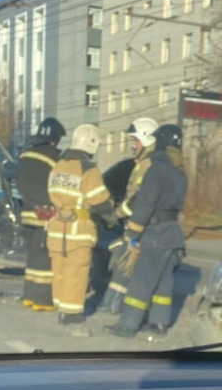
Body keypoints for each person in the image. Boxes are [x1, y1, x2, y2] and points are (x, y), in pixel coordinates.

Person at [105, 124, 188, 338]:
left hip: (154, 233)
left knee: (141, 280)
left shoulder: (156, 169)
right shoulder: (180, 171)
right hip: (172, 233)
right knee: (163, 282)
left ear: (158, 141)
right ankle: (159, 324)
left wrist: (132, 234)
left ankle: (128, 325)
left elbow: (145, 204)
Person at [46, 124, 116, 333]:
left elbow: (51, 191)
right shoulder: (88, 169)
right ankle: (72, 314)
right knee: (77, 271)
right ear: (92, 144)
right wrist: (112, 212)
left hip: (58, 227)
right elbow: (101, 200)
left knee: (60, 269)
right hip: (78, 229)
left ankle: (60, 305)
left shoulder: (58, 165)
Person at [98, 117, 158, 314]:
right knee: (127, 260)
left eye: (136, 140)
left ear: (147, 139)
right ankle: (117, 304)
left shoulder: (149, 164)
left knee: (125, 262)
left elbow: (138, 197)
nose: (133, 145)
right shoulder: (145, 162)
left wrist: (117, 213)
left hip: (141, 223)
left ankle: (113, 305)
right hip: (140, 222)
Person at [17, 117, 66, 312]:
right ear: (55, 138)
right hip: (46, 214)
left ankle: (29, 296)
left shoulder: (25, 155)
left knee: (32, 257)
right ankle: (43, 300)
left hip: (27, 212)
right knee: (45, 260)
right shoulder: (55, 158)